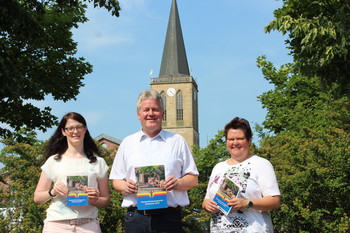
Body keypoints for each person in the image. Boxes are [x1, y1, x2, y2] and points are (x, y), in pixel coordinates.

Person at [109, 89, 199, 233]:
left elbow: (193, 179)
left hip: (168, 219)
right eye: (146, 110)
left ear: (162, 114)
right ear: (139, 114)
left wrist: (178, 183)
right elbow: (116, 180)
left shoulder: (177, 141)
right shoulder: (127, 143)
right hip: (136, 218)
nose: (151, 114)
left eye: (155, 109)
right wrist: (124, 187)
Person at [34, 112, 110, 233]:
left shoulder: (98, 162)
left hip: (88, 225)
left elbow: (105, 201)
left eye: (79, 127)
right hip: (56, 225)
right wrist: (53, 191)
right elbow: (37, 198)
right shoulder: (53, 161)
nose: (75, 131)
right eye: (70, 128)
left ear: (85, 129)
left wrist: (94, 199)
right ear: (63, 132)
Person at [202, 117, 281, 233]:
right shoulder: (218, 167)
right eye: (231, 139)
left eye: (240, 139)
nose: (235, 143)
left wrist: (248, 203)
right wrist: (206, 205)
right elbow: (206, 199)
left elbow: (275, 201)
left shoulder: (261, 164)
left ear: (249, 140)